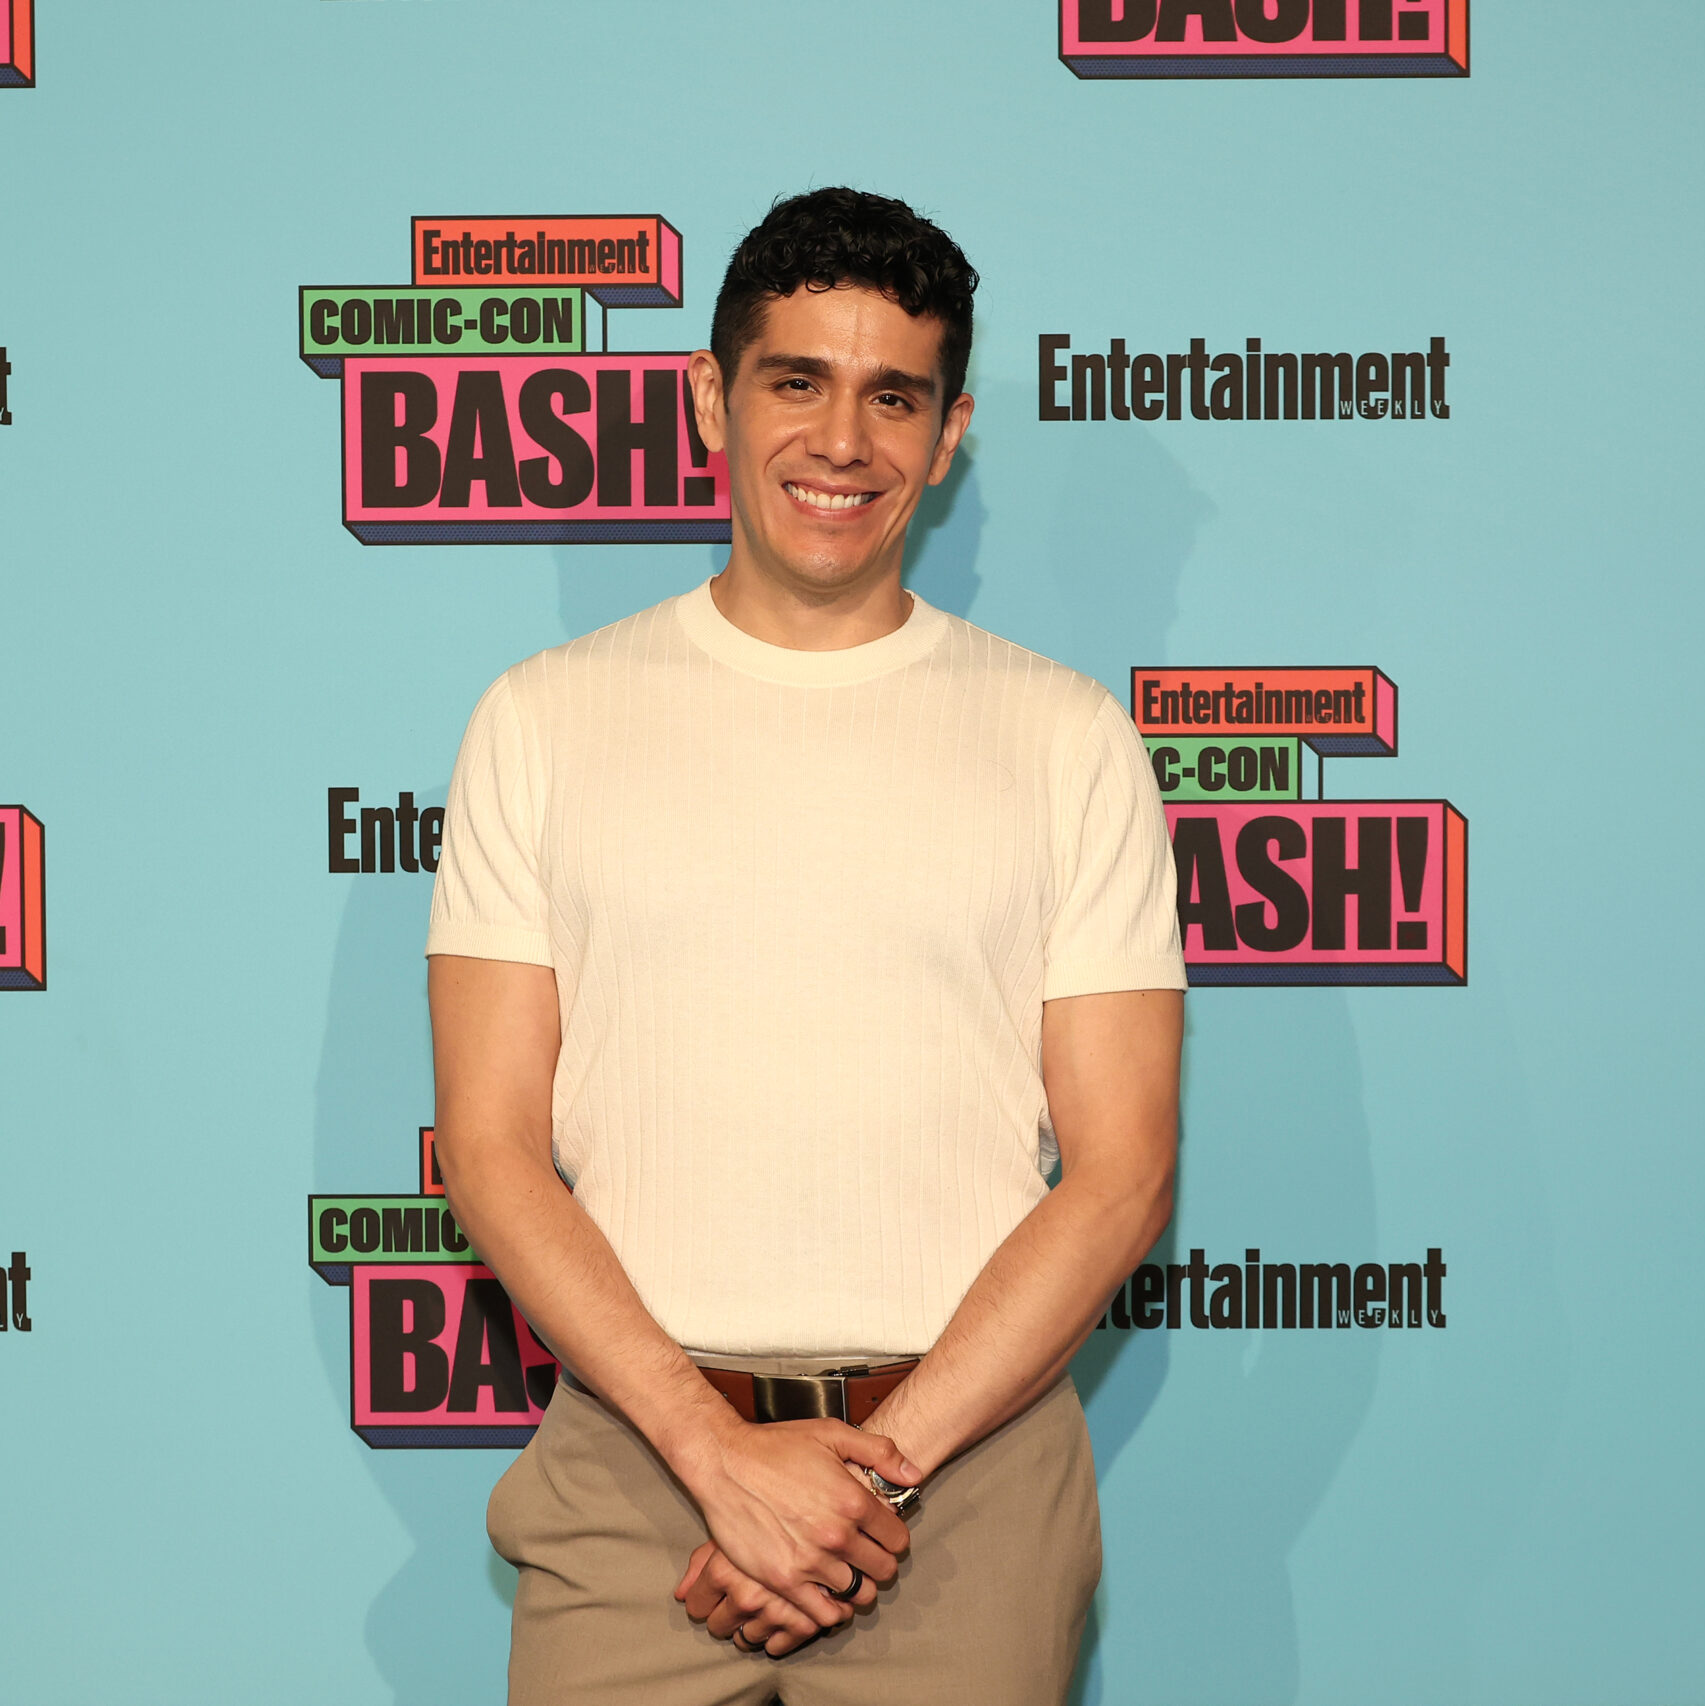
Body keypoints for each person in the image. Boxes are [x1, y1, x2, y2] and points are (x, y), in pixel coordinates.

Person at [426, 186, 1185, 1705]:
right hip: (637, 1474)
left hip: (964, 1482)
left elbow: (1122, 1173)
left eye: (893, 396)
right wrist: (717, 1459)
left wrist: (867, 1479)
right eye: (797, 382)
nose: (844, 440)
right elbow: (492, 1148)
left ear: (949, 434)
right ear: (712, 400)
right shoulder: (541, 720)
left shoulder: (1067, 739)